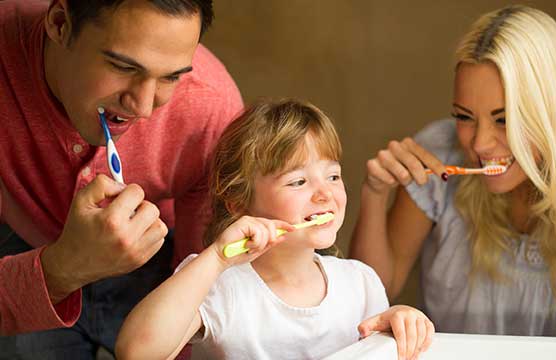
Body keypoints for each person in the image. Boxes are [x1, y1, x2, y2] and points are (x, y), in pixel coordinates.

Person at [351, 5, 556, 337]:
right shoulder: (437, 157)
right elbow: (370, 297)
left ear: (553, 114)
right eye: (464, 117)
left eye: (504, 120)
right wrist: (374, 193)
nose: (480, 144)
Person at [0, 0, 242, 357]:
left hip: (164, 263)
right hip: (23, 252)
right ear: (60, 23)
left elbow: (203, 292)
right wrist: (62, 268)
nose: (143, 107)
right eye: (122, 66)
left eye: (171, 76)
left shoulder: (212, 109)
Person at [115, 99, 435, 360]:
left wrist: (401, 319)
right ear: (239, 203)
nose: (325, 194)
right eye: (298, 181)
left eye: (333, 176)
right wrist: (215, 259)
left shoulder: (361, 283)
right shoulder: (217, 284)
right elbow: (136, 352)